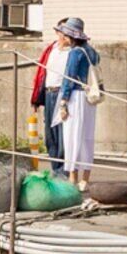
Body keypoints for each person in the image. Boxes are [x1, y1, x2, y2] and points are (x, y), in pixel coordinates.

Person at [42, 16, 101, 179]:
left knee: (71, 137)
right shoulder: (92, 51)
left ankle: (72, 177)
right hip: (89, 97)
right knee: (87, 137)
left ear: (71, 36)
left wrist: (63, 102)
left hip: (75, 97)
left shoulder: (75, 53)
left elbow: (69, 78)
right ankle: (85, 179)